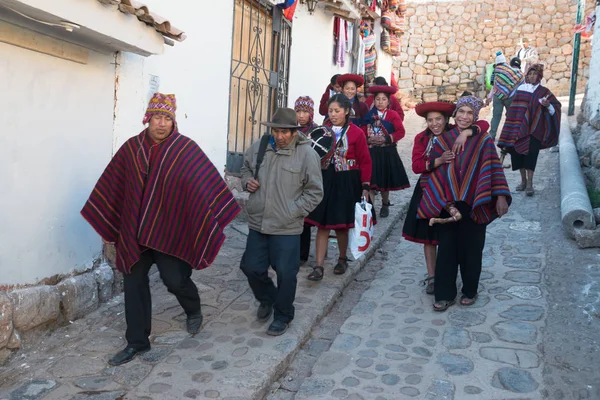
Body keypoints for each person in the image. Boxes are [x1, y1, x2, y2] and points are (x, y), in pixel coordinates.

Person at [81, 93, 241, 366]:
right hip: (134, 231)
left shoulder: (184, 149)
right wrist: (116, 227)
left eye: (168, 118)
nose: (162, 123)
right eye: (157, 117)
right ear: (148, 118)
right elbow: (114, 185)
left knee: (174, 279)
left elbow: (204, 184)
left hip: (170, 231)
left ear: (173, 121)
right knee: (133, 282)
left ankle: (193, 308)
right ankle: (137, 342)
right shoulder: (131, 149)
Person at [417, 96, 511, 311]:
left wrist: (501, 196)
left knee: (472, 249)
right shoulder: (443, 140)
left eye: (470, 113)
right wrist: (442, 200)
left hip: (476, 202)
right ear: (455, 113)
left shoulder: (484, 140)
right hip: (448, 203)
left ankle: (470, 290)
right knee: (447, 249)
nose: (464, 117)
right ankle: (444, 294)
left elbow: (493, 168)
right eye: (461, 112)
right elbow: (434, 174)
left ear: (475, 117)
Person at [240, 108, 323, 336]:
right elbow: (245, 168)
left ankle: (284, 315)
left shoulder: (307, 154)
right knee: (251, 267)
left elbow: (315, 192)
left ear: (294, 131)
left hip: (287, 226)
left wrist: (293, 211)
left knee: (286, 274)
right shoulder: (260, 147)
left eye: (285, 132)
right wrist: (247, 182)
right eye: (276, 131)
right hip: (259, 222)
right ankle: (267, 298)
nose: (280, 136)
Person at [402, 102, 490, 295]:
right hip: (429, 190)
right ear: (426, 122)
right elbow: (417, 166)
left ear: (447, 120)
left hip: (452, 189)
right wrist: (438, 161)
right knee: (428, 235)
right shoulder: (421, 139)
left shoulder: (454, 132)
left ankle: (448, 273)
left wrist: (467, 133)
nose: (435, 124)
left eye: (439, 119)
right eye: (430, 120)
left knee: (449, 235)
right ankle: (433, 276)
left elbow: (483, 124)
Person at [305, 94, 372, 281]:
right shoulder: (322, 131)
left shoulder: (356, 133)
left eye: (337, 111)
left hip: (346, 181)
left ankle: (342, 258)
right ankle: (318, 266)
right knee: (323, 224)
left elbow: (365, 161)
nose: (333, 114)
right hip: (325, 179)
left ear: (347, 112)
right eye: (330, 111)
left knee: (341, 225)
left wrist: (365, 185)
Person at [498, 64, 561, 196]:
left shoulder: (544, 92)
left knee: (531, 156)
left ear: (539, 76)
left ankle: (530, 184)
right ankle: (523, 181)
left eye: (535, 74)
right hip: (517, 128)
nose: (532, 77)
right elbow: (514, 109)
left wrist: (548, 105)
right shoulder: (520, 89)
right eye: (529, 74)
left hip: (535, 130)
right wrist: (510, 125)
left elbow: (555, 108)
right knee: (518, 155)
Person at [360, 84, 410, 218]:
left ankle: (385, 203)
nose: (380, 102)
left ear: (388, 101)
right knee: (370, 182)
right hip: (371, 152)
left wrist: (387, 138)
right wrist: (368, 139)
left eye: (383, 99)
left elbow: (401, 132)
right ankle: (370, 210)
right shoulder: (369, 116)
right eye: (377, 99)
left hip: (386, 152)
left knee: (384, 182)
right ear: (373, 100)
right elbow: (363, 130)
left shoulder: (392, 115)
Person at [294, 96, 319, 263]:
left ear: (311, 113)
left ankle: (302, 255)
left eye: (305, 112)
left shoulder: (317, 131)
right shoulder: (290, 130)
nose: (301, 115)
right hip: (292, 177)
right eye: (298, 111)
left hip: (307, 178)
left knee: (305, 220)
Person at [485, 53, 524, 141]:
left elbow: (495, 85)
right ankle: (510, 135)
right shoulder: (511, 70)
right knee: (511, 116)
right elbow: (520, 79)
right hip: (510, 96)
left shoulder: (496, 70)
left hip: (497, 96)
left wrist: (489, 97)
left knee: (496, 116)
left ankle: (492, 135)